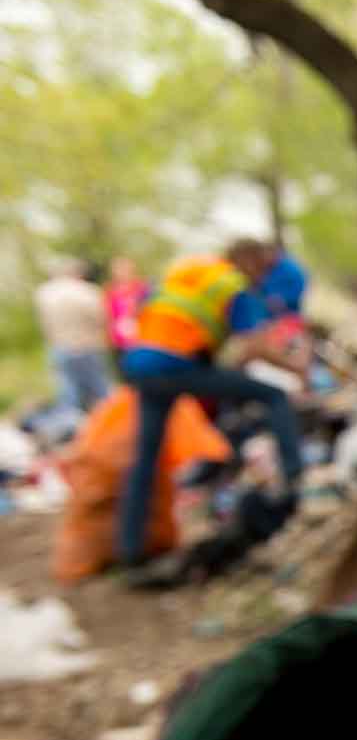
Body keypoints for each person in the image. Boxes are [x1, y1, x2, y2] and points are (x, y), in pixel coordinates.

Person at [115, 239, 305, 582]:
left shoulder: (192, 269)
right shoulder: (233, 285)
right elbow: (255, 346)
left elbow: (154, 312)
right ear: (246, 259)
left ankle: (131, 552)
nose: (263, 276)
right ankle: (294, 476)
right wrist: (297, 369)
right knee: (275, 395)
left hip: (141, 365)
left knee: (145, 460)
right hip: (175, 367)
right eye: (261, 267)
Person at [32, 259, 115, 419]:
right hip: (89, 346)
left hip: (60, 346)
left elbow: (44, 323)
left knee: (68, 392)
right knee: (100, 389)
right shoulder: (88, 291)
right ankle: (109, 426)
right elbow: (101, 319)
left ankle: (71, 429)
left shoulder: (45, 293)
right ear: (79, 273)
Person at [105, 257, 150, 356]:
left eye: (125, 268)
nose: (122, 272)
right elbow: (109, 315)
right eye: (118, 269)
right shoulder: (111, 290)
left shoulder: (142, 287)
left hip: (141, 338)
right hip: (119, 340)